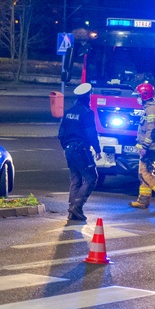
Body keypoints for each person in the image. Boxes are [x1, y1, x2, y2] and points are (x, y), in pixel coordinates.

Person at [57, 83, 102, 222]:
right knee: (91, 178)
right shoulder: (87, 113)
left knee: (75, 179)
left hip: (69, 149)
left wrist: (66, 147)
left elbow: (61, 133)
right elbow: (91, 134)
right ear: (87, 97)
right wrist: (97, 149)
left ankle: (72, 211)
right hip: (81, 150)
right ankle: (77, 206)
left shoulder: (68, 112)